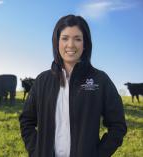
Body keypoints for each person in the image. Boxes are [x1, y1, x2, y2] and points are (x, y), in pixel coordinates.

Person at [19, 14, 127, 157]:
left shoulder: (100, 80)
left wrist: (98, 154)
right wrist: (36, 151)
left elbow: (118, 125)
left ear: (85, 43)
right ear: (57, 42)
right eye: (65, 38)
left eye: (77, 39)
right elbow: (26, 120)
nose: (70, 45)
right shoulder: (42, 80)